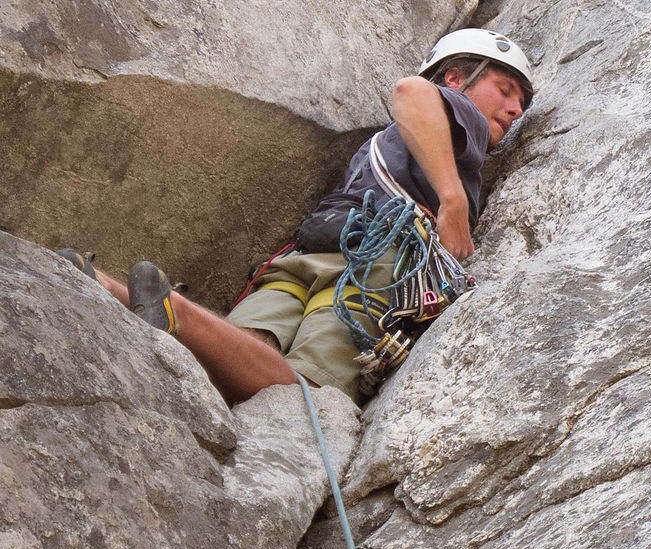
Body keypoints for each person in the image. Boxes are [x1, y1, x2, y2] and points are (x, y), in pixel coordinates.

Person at [61, 30, 533, 406]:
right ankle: (178, 312)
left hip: (311, 253)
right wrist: (454, 201)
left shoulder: (384, 146)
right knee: (306, 391)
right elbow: (411, 89)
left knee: (241, 346)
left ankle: (108, 289)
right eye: (505, 90)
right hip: (381, 265)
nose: (514, 110)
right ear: (454, 79)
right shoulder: (458, 113)